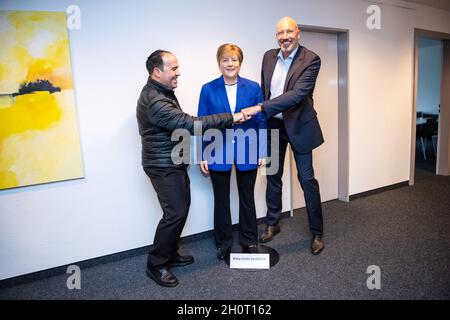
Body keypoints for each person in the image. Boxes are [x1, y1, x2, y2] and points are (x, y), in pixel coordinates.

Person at [136, 50, 250, 287]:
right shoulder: (155, 100)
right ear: (157, 72)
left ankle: (170, 254)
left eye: (178, 67)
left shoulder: (162, 92)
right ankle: (156, 264)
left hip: (173, 162)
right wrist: (233, 117)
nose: (179, 72)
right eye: (174, 68)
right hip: (162, 165)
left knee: (181, 209)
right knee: (174, 213)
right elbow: (191, 124)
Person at [242, 16, 325, 255]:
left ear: (298, 33)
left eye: (289, 31)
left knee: (307, 180)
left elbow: (298, 94)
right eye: (280, 33)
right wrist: (261, 116)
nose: (285, 37)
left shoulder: (311, 59)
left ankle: (317, 232)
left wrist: (260, 108)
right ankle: (272, 223)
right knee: (273, 176)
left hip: (299, 127)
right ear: (276, 36)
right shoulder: (269, 56)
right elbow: (264, 90)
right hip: (274, 128)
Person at [197, 44, 266, 260]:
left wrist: (264, 151)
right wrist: (201, 154)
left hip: (249, 150)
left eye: (234, 60)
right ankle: (223, 243)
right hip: (218, 150)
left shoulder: (254, 87)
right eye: (225, 60)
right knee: (221, 199)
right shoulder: (208, 89)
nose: (230, 64)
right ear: (219, 63)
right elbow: (201, 122)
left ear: (240, 62)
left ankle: (249, 240)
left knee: (247, 198)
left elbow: (262, 120)